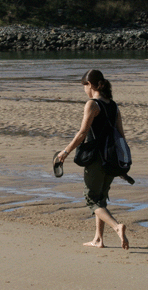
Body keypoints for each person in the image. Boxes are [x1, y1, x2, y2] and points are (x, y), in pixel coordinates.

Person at [55, 69, 129, 250]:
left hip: (96, 159)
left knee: (92, 200)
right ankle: (98, 239)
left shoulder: (92, 104)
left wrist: (65, 151)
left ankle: (117, 227)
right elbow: (121, 136)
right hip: (111, 159)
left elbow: (82, 133)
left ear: (90, 85)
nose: (84, 90)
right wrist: (121, 164)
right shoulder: (114, 106)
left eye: (84, 86)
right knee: (101, 199)